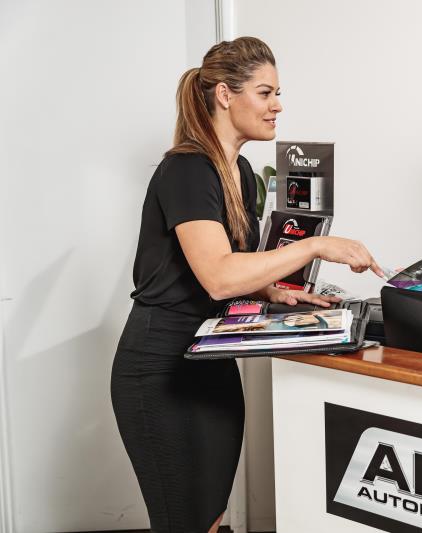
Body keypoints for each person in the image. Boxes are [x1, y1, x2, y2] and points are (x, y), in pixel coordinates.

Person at [110, 37, 382, 533]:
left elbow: (231, 268)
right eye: (265, 92)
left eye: (278, 93)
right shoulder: (187, 169)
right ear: (223, 94)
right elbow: (216, 278)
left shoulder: (238, 170)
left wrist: (272, 292)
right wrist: (315, 247)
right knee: (181, 522)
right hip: (158, 369)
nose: (278, 105)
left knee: (211, 515)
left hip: (210, 363)